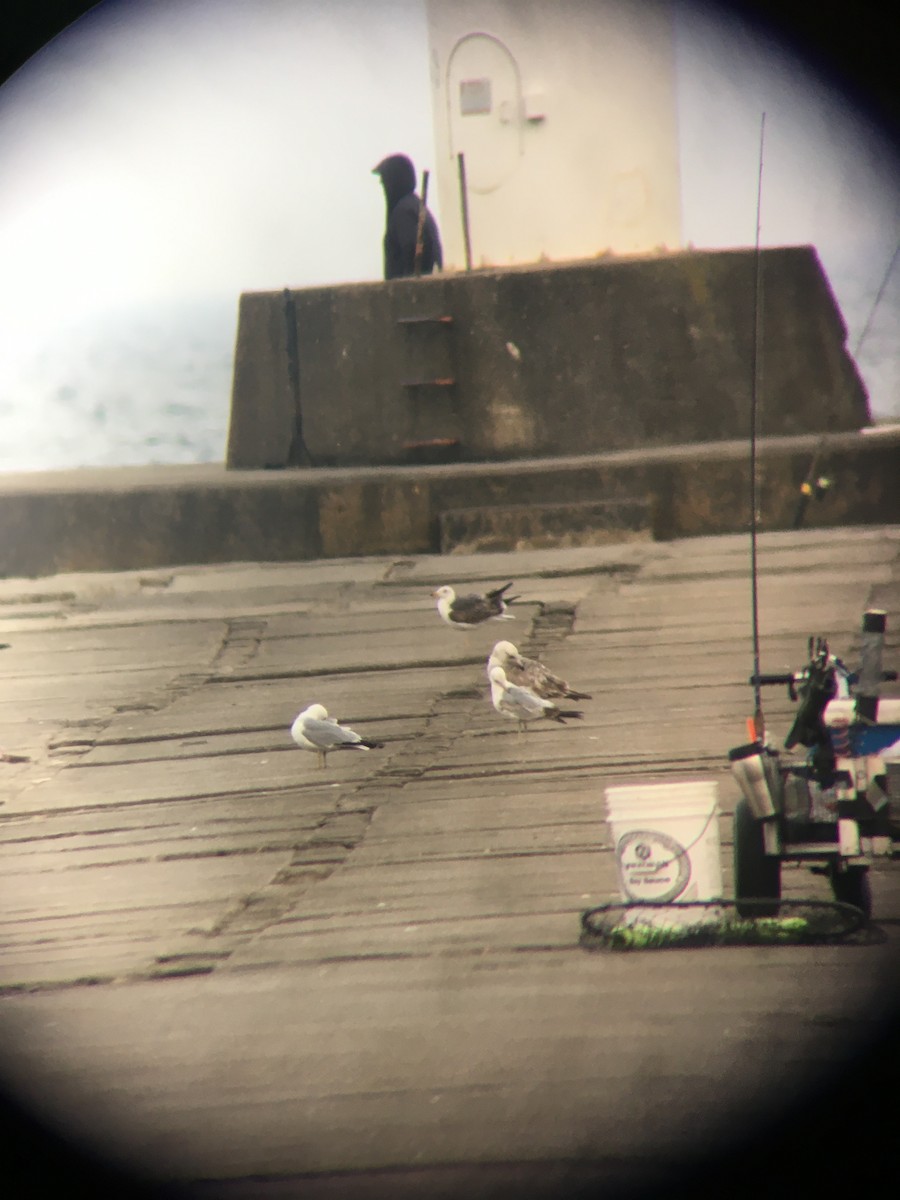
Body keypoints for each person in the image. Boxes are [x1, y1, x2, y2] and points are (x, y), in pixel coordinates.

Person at [372, 153, 443, 280]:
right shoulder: (416, 207)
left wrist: (407, 292)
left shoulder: (403, 213)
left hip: (413, 295)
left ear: (393, 182)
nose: (383, 187)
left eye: (385, 181)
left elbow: (413, 253)